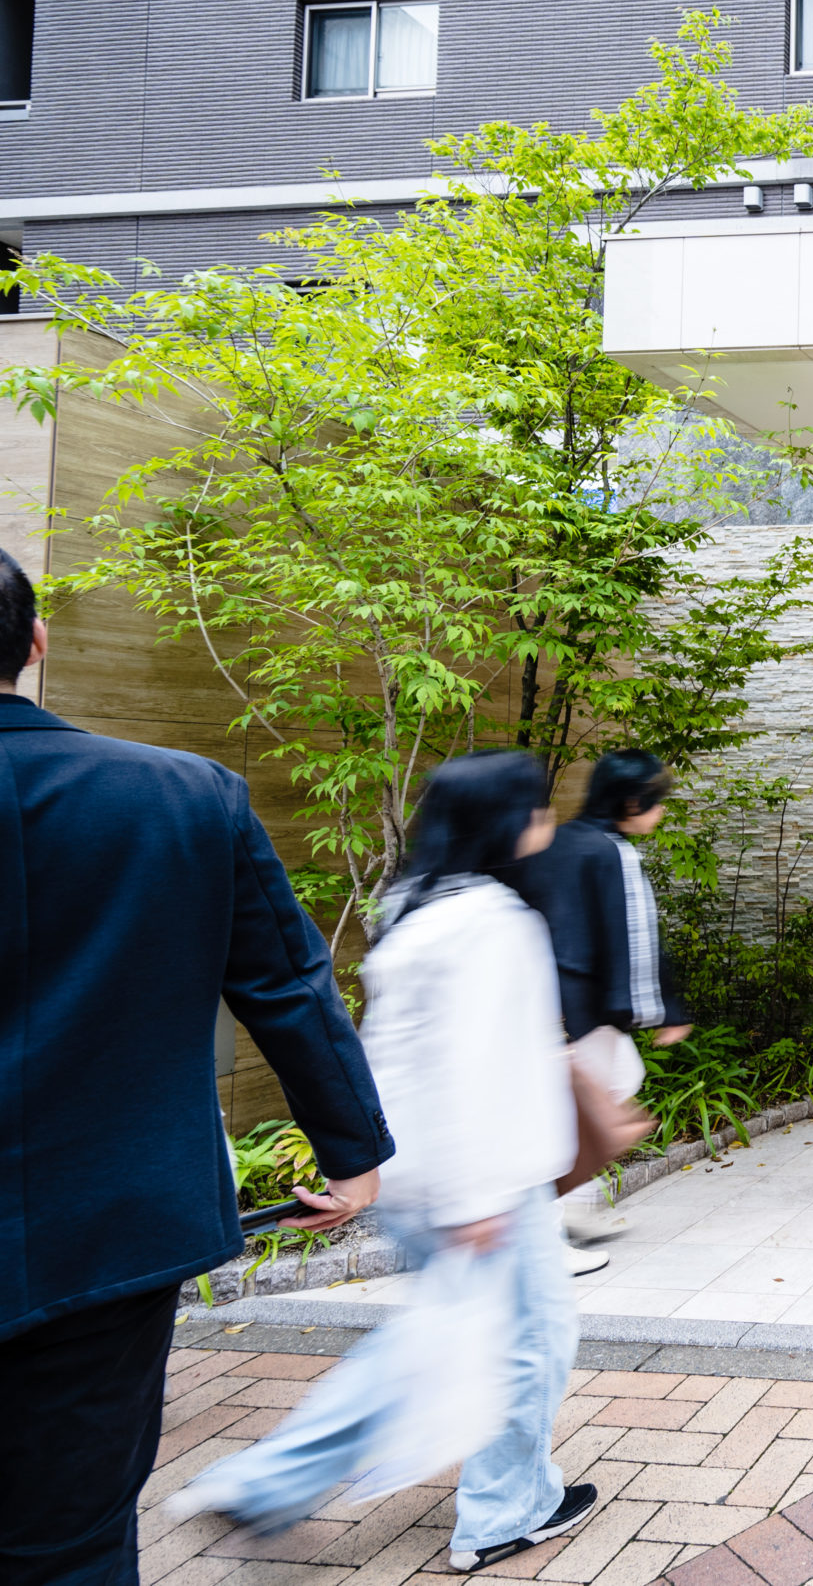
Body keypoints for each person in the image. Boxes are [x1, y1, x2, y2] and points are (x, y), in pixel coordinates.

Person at [0, 547, 395, 1586]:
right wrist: (352, 1155)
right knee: (72, 1536)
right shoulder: (182, 796)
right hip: (106, 1231)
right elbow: (287, 985)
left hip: (107, 1227)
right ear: (35, 642)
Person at [170, 751, 596, 1573]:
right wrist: (477, 1200)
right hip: (484, 1184)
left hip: (414, 1172)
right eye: (536, 806)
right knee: (529, 1343)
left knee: (435, 1340)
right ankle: (506, 1510)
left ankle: (266, 1481)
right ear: (507, 821)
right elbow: (474, 1066)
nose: (546, 820)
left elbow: (390, 1059)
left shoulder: (414, 908)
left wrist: (372, 1172)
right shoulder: (492, 922)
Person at [506, 750, 689, 1260]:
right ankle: (549, 1232)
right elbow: (635, 939)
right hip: (584, 1009)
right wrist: (661, 1010)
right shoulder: (612, 852)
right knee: (576, 1114)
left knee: (610, 1089)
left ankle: (574, 1210)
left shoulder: (561, 840)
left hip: (548, 1003)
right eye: (656, 801)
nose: (661, 811)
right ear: (630, 802)